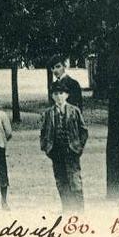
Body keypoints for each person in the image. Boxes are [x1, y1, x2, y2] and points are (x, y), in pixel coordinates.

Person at [40, 80, 89, 212]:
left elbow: (83, 131)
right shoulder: (48, 113)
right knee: (61, 180)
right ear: (52, 96)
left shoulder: (74, 111)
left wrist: (78, 147)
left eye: (61, 93)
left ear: (66, 95)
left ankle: (79, 209)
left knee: (75, 179)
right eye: (56, 94)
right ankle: (67, 208)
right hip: (56, 151)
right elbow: (43, 132)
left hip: (72, 150)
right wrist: (46, 148)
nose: (59, 96)